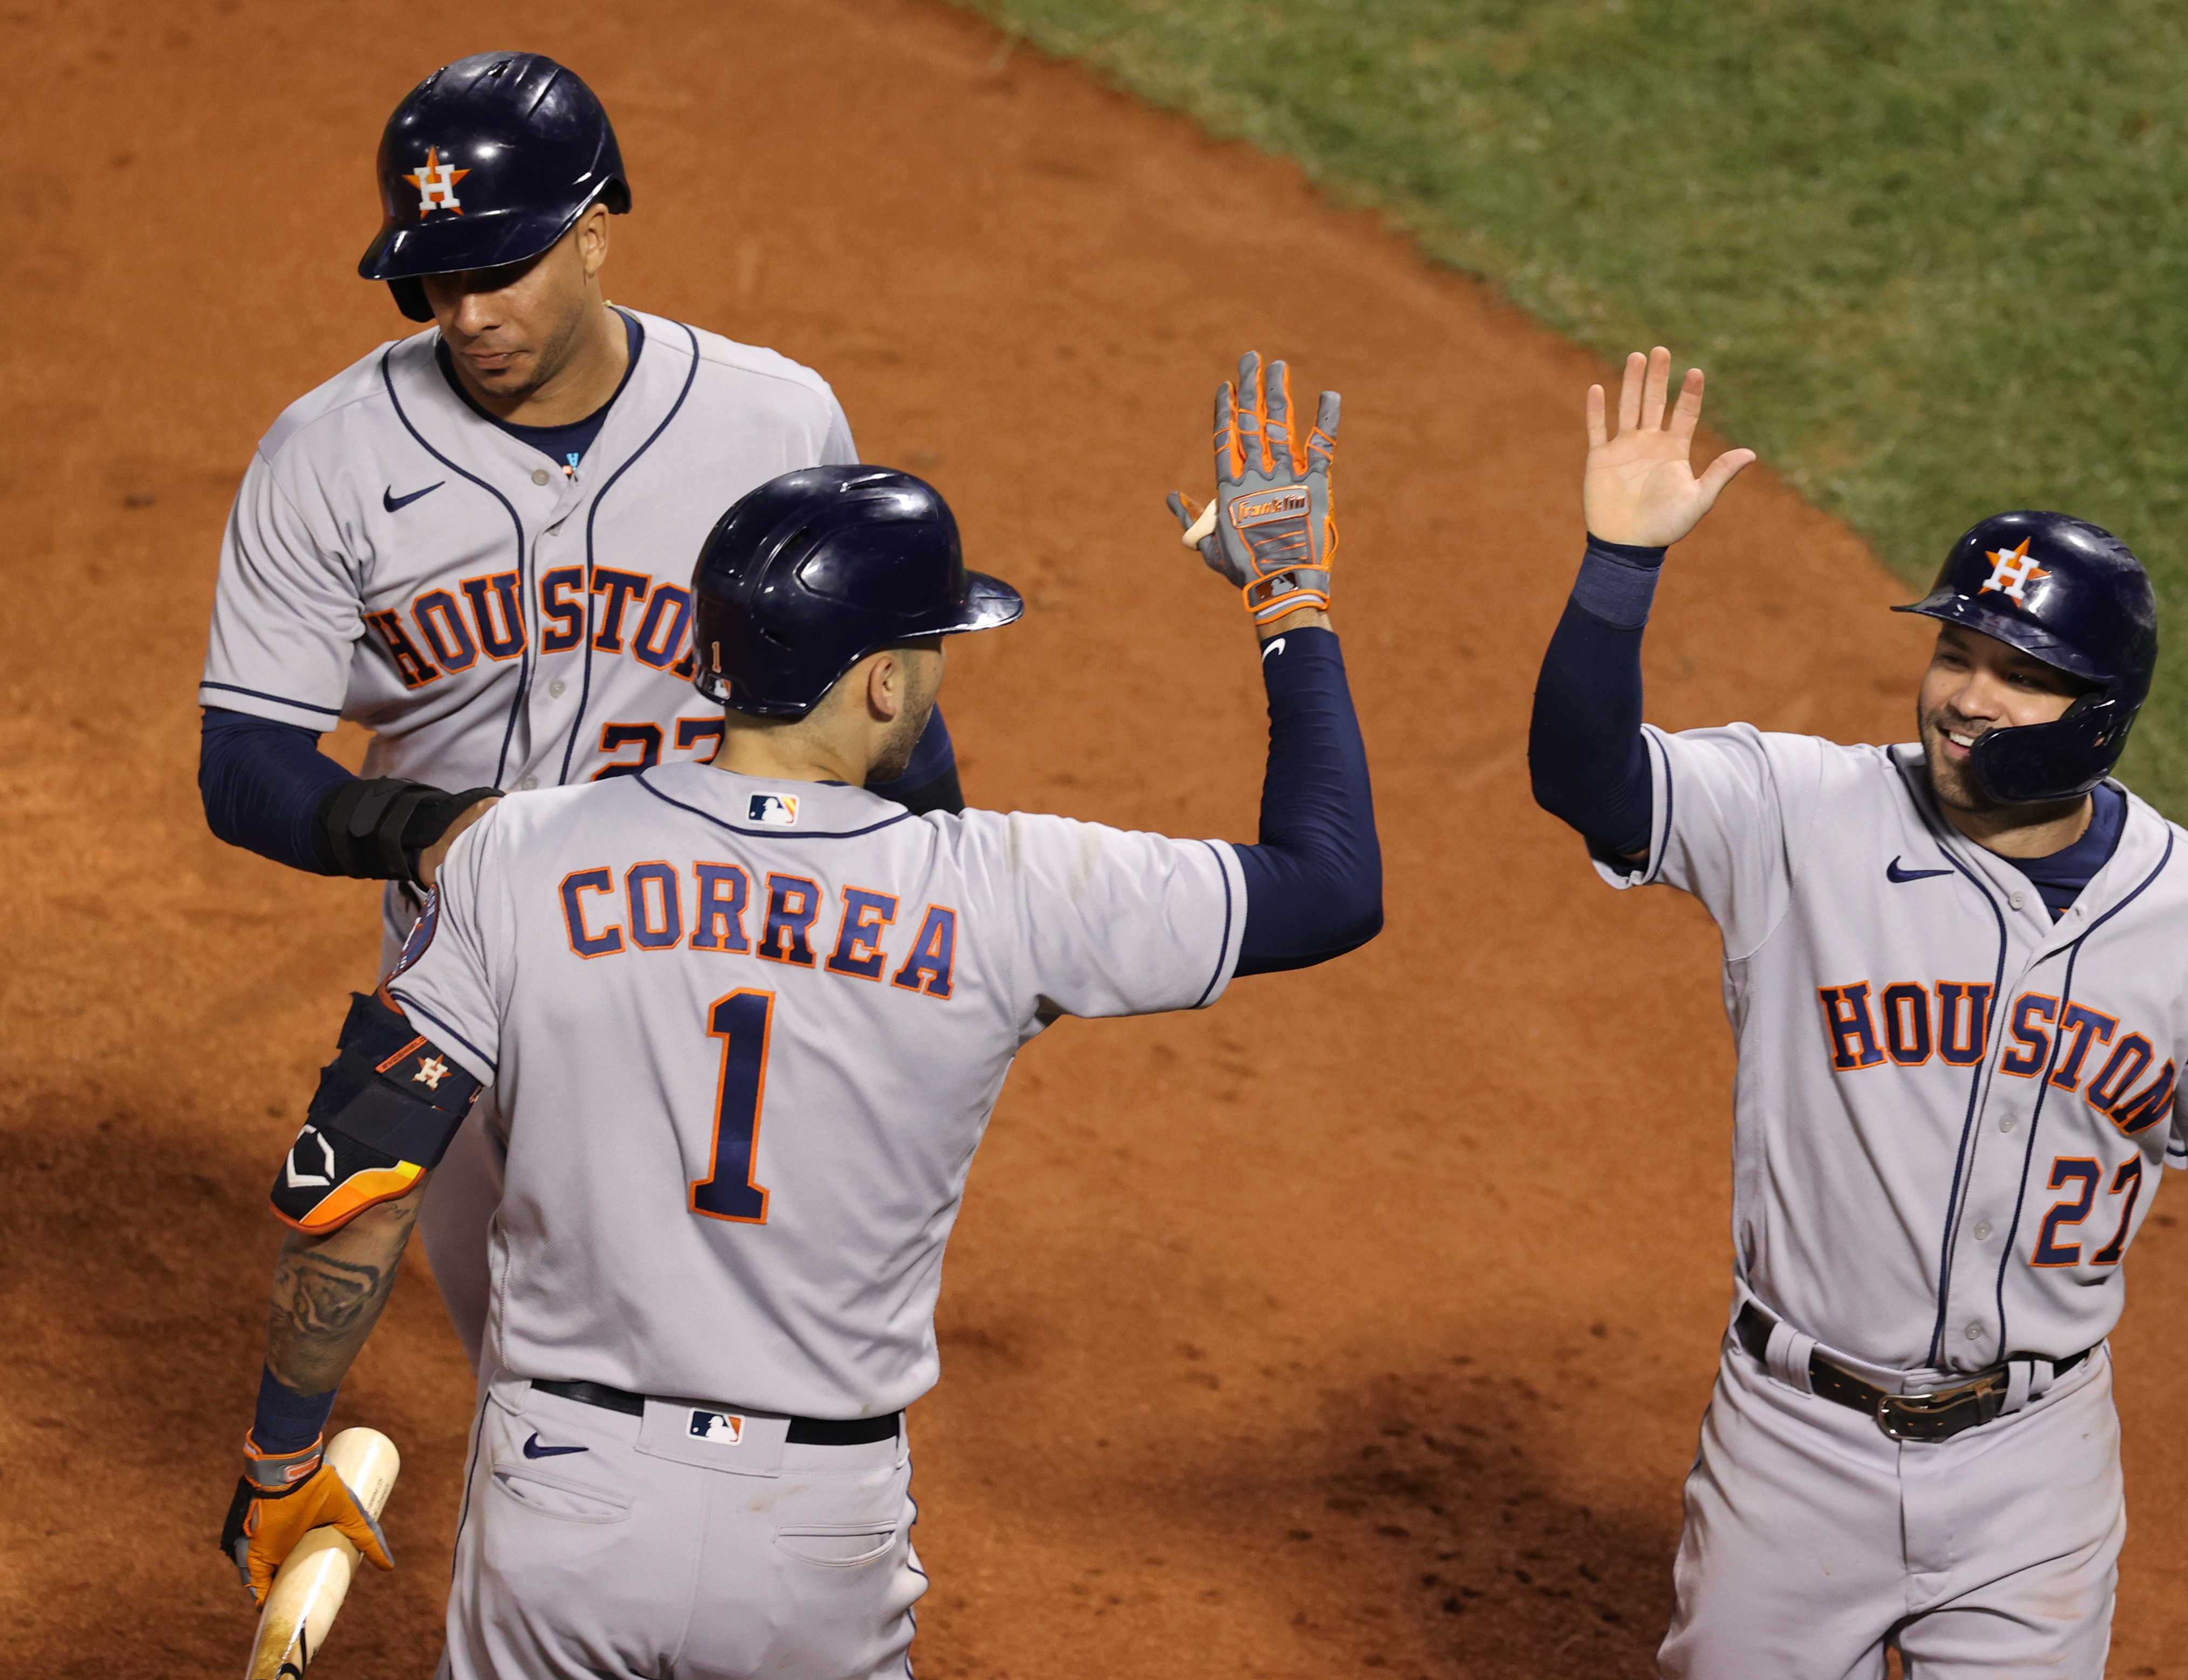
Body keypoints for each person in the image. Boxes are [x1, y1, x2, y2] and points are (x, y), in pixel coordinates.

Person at [217, 355, 1379, 1678]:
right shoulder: (1008, 898)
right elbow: (1333, 886)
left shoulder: (516, 856)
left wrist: (283, 1458)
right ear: (883, 684)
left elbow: (356, 1184)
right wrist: (1290, 596)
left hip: (563, 1501)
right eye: (933, 648)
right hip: (814, 1537)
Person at [1526, 349, 2188, 1677]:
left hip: (2033, 1468)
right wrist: (1618, 566)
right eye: (1956, 652)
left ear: (2098, 716)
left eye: (2020, 674)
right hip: (1793, 1445)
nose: (1965, 699)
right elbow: (1583, 774)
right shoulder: (1797, 816)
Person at [195, 51, 966, 1365]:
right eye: (437, 279)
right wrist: (421, 830)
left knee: (745, 1367)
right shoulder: (328, 456)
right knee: (541, 1380)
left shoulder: (772, 421)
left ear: (596, 230)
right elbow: (245, 760)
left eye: (500, 270)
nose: (467, 313)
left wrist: (949, 878)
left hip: (728, 952)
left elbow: (873, 692)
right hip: (475, 988)